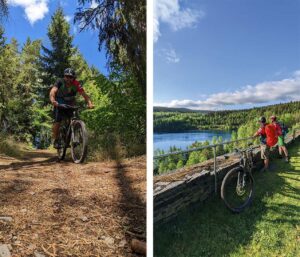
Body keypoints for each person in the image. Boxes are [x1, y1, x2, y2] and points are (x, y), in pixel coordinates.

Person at [49, 68, 94, 148]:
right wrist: (53, 100)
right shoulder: (60, 81)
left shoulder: (76, 84)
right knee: (57, 121)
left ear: (73, 78)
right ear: (64, 76)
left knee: (74, 119)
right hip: (59, 103)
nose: (68, 79)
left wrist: (89, 103)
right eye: (67, 76)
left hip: (70, 104)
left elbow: (84, 94)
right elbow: (53, 91)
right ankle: (56, 140)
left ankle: (73, 138)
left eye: (71, 77)